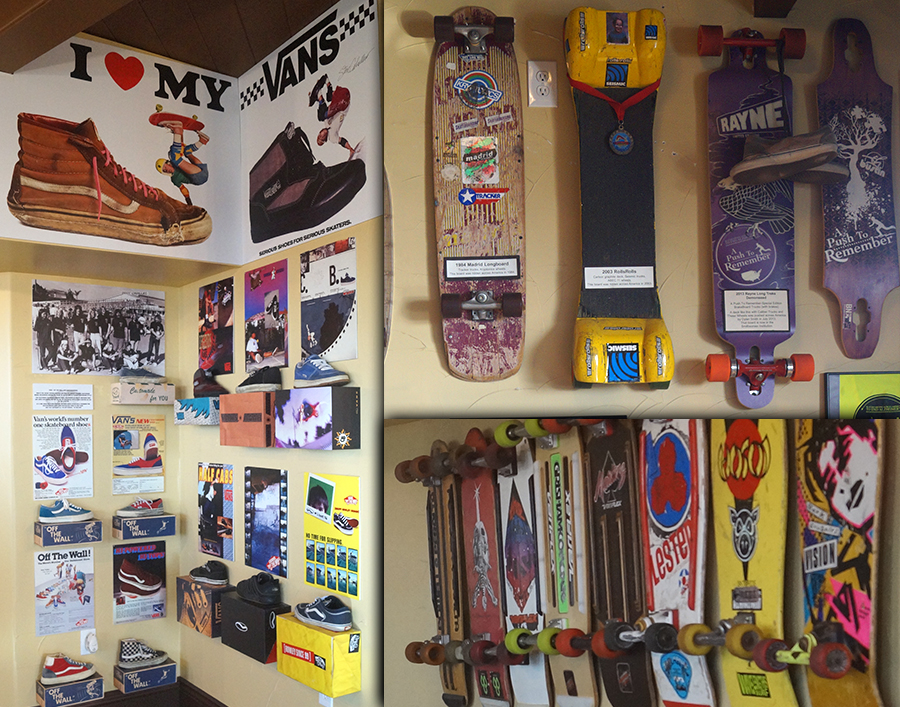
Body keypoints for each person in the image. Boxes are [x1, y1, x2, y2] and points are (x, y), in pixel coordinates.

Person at [155, 120, 210, 206]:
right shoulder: (174, 179)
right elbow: (184, 190)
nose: (166, 170)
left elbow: (180, 146)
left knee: (186, 151)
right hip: (198, 178)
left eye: (164, 167)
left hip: (200, 169)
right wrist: (189, 204)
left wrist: (180, 134)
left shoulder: (175, 164)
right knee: (175, 158)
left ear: (167, 163)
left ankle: (202, 141)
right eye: (164, 170)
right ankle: (177, 129)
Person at [309, 75, 356, 157]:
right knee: (322, 116)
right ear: (325, 139)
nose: (322, 134)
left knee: (325, 109)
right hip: (343, 104)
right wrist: (350, 149)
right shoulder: (332, 138)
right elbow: (342, 141)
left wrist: (314, 98)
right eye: (323, 137)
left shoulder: (326, 123)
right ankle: (319, 93)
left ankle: (326, 82)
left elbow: (322, 108)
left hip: (342, 94)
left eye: (320, 134)